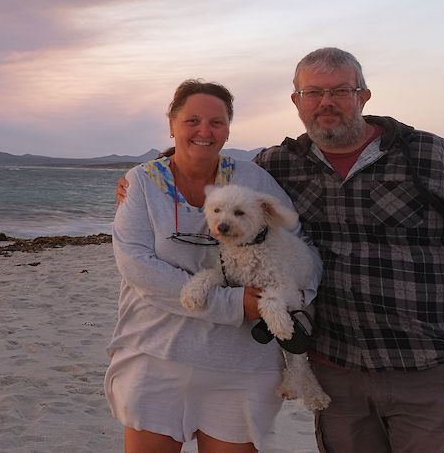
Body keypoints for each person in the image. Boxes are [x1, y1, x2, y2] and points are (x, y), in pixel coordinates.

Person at [251, 47, 444, 453]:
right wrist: (148, 178)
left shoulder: (428, 154)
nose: (326, 102)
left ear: (364, 96)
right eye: (313, 92)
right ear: (296, 101)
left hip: (432, 371)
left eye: (340, 90)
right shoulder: (277, 166)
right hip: (336, 380)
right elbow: (206, 180)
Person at [107, 78, 322, 452]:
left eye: (216, 122)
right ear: (171, 123)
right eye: (192, 120)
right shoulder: (141, 182)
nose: (204, 131)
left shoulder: (253, 179)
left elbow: (298, 241)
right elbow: (138, 267)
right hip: (156, 355)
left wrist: (297, 295)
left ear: (227, 129)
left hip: (241, 364)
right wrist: (235, 304)